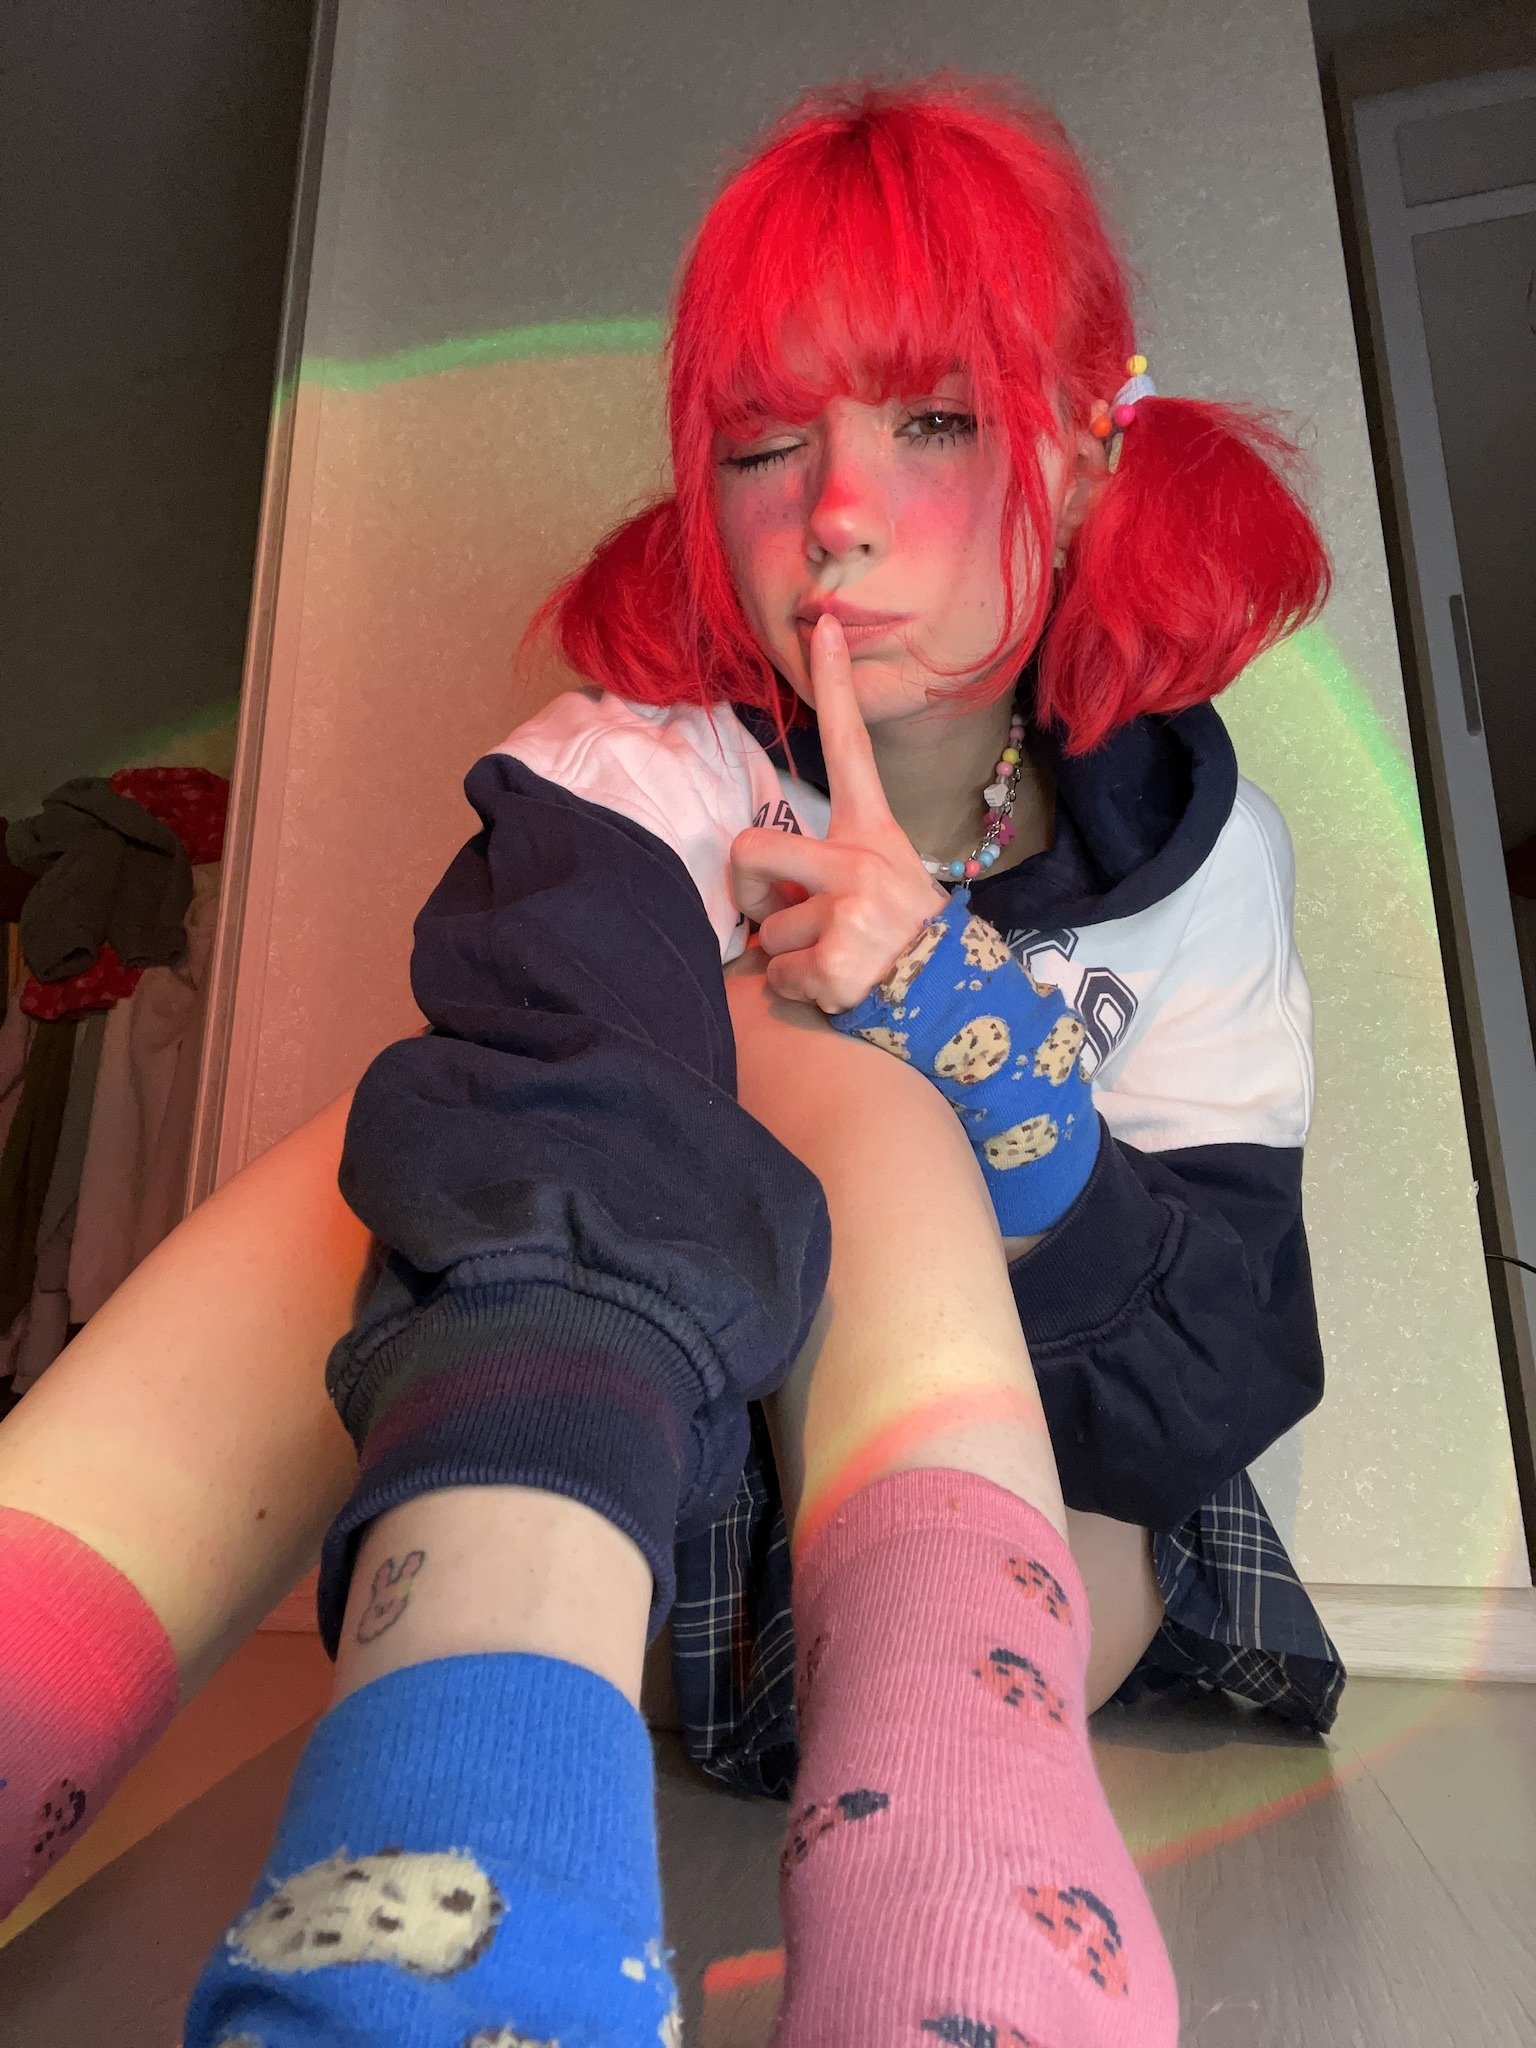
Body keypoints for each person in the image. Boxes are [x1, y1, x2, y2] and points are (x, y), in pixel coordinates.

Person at [0, 76, 1341, 2046]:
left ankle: (897, 1921)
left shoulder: (1199, 862)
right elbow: (525, 1135)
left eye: (935, 420)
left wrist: (966, 1027)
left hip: (1038, 1553)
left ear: (1078, 452)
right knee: (461, 1108)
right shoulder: (642, 765)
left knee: (852, 1063)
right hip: (650, 1527)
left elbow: (1212, 1377)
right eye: (766, 443)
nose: (836, 513)